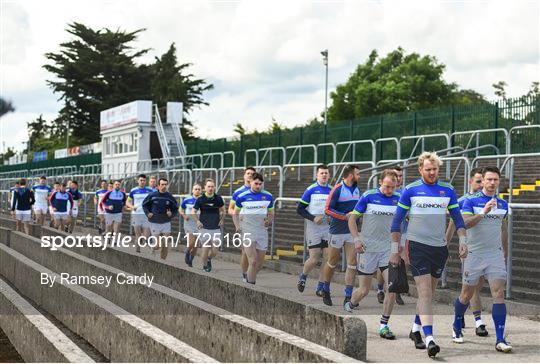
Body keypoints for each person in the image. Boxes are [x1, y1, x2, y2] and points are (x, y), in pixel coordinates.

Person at [390, 151, 468, 358]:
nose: (432, 172)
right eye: (428, 169)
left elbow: (458, 219)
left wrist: (463, 241)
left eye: (435, 169)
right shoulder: (410, 190)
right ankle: (430, 338)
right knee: (424, 293)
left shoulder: (448, 189)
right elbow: (396, 222)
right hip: (417, 246)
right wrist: (394, 250)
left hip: (439, 248)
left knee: (430, 293)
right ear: (420, 169)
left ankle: (416, 329)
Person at [452, 166, 512, 353]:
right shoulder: (470, 201)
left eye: (496, 179)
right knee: (466, 295)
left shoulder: (502, 204)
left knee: (498, 294)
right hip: (474, 254)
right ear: (483, 181)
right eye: (489, 179)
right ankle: (456, 324)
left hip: (494, 254)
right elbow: (464, 223)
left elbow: (502, 228)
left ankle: (500, 339)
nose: (493, 183)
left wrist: (504, 251)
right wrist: (483, 212)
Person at [345, 170, 401, 340]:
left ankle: (384, 325)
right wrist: (356, 240)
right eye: (386, 187)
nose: (389, 190)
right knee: (364, 290)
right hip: (368, 249)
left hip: (388, 250)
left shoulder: (399, 199)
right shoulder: (368, 196)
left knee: (391, 288)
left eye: (392, 187)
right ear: (380, 184)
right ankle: (351, 303)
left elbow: (404, 224)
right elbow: (352, 219)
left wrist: (401, 247)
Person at [445, 167, 488, 336]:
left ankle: (459, 310)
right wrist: (445, 246)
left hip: (487, 250)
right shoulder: (462, 201)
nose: (481, 184)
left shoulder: (489, 201)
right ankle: (479, 322)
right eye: (478, 181)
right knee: (474, 286)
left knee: (476, 285)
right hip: (470, 250)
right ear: (470, 181)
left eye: (482, 181)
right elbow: (451, 224)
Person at [320, 164, 361, 306]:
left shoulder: (357, 189)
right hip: (337, 231)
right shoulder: (337, 189)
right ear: (350, 175)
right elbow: (327, 209)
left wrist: (356, 217)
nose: (359, 176)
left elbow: (358, 209)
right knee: (332, 262)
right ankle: (325, 289)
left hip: (351, 231)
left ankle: (348, 296)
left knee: (352, 263)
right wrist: (344, 216)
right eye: (357, 174)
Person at [296, 164, 332, 296]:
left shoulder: (331, 190)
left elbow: (334, 208)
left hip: (327, 229)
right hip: (313, 229)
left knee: (327, 259)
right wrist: (312, 218)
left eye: (326, 173)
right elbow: (299, 209)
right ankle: (303, 276)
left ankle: (320, 287)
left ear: (329, 175)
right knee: (314, 259)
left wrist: (332, 217)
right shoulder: (310, 190)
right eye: (321, 173)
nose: (324, 175)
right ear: (317, 175)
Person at [235, 172, 274, 284]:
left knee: (259, 264)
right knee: (253, 261)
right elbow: (235, 213)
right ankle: (251, 287)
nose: (258, 186)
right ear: (250, 182)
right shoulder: (242, 196)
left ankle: (248, 278)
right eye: (256, 183)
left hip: (262, 231)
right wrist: (237, 226)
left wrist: (269, 221)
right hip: (247, 231)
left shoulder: (268, 196)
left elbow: (271, 213)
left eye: (260, 184)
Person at [192, 178, 225, 272]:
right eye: (209, 186)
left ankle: (209, 259)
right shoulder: (200, 199)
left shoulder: (218, 198)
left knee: (215, 251)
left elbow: (224, 211)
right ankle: (205, 266)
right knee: (205, 249)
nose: (210, 188)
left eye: (212, 187)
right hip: (204, 228)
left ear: (214, 187)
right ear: (205, 188)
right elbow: (193, 212)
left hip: (215, 228)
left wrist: (222, 219)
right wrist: (197, 221)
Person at [229, 166, 256, 281]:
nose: (250, 175)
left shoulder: (259, 191)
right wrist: (238, 219)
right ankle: (245, 273)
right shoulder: (238, 192)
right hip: (244, 225)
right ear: (244, 176)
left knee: (255, 252)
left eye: (252, 174)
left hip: (257, 226)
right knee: (245, 251)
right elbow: (230, 209)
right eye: (248, 173)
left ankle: (251, 271)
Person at [142, 178, 178, 260]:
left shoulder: (169, 196)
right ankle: (152, 248)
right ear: (158, 186)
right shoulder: (152, 195)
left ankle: (163, 262)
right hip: (154, 222)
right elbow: (144, 205)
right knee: (157, 245)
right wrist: (148, 213)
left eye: (166, 184)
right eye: (162, 184)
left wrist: (171, 214)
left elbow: (175, 208)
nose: (164, 186)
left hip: (166, 222)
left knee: (165, 244)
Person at [127, 174, 153, 253]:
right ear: (138, 181)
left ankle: (144, 240)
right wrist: (132, 207)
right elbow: (127, 202)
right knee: (137, 235)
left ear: (146, 181)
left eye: (144, 180)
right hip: (136, 215)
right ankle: (137, 252)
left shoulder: (150, 191)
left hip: (146, 215)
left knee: (146, 236)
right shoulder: (133, 190)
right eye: (141, 180)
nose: (142, 182)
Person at [180, 183, 203, 267]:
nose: (197, 191)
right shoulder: (187, 199)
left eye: (199, 189)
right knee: (192, 242)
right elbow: (181, 209)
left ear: (201, 191)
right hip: (189, 224)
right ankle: (187, 253)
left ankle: (191, 260)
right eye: (195, 189)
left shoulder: (203, 200)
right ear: (192, 190)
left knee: (196, 245)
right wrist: (184, 215)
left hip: (199, 224)